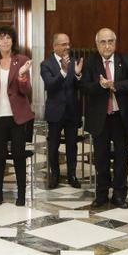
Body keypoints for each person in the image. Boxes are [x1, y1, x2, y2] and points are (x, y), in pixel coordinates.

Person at [82, 28, 128, 209]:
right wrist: (100, 86)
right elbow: (84, 87)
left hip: (121, 117)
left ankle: (119, 195)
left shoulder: (125, 59)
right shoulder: (91, 62)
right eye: (103, 42)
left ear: (115, 43)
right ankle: (101, 195)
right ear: (97, 44)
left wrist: (116, 85)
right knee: (101, 159)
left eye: (110, 41)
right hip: (100, 118)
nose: (107, 46)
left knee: (122, 158)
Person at [0, 25, 34, 207]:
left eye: (8, 38)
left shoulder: (21, 60)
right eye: (1, 38)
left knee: (19, 155)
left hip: (17, 115)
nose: (5, 41)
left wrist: (21, 76)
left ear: (13, 41)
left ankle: (21, 194)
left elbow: (27, 90)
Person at [41, 33, 83, 190]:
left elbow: (79, 87)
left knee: (72, 145)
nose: (67, 47)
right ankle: (55, 175)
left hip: (72, 111)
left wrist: (78, 74)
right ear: (55, 46)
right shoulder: (46, 64)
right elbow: (50, 85)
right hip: (55, 111)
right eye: (64, 44)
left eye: (68, 44)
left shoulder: (73, 62)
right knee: (53, 146)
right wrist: (64, 72)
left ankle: (72, 175)